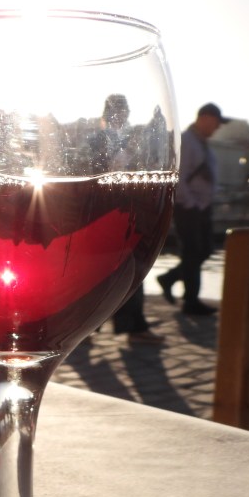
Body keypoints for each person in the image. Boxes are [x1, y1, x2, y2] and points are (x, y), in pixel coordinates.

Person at [92, 94, 163, 346]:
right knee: (113, 271)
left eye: (125, 109)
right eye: (118, 110)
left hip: (131, 212)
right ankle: (95, 326)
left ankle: (129, 326)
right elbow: (105, 170)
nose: (123, 114)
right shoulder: (99, 139)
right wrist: (131, 149)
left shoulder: (130, 138)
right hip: (108, 213)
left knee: (129, 269)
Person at [157, 102, 229, 316]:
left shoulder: (201, 143)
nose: (217, 128)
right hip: (190, 208)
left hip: (201, 208)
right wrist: (191, 204)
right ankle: (191, 300)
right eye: (216, 123)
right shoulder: (188, 142)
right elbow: (178, 176)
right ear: (205, 118)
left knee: (203, 250)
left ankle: (169, 278)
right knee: (193, 252)